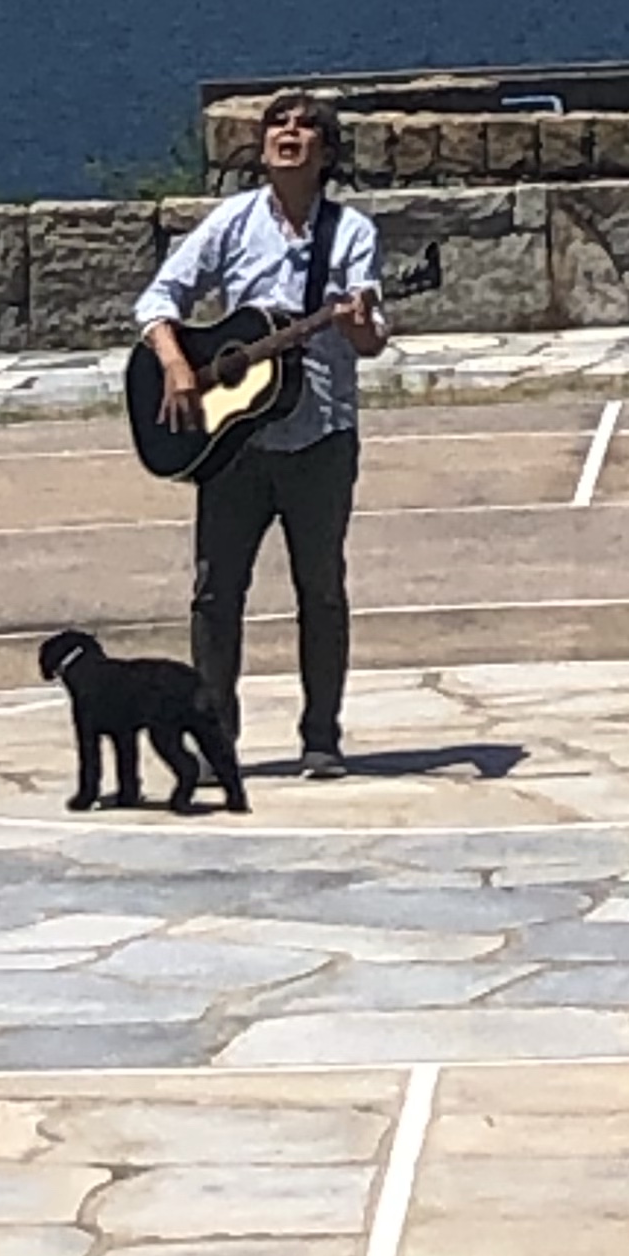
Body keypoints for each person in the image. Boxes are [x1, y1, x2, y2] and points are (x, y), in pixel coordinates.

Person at [133, 89, 386, 778]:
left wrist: (358, 323)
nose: (289, 133)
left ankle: (321, 737)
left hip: (320, 434)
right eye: (279, 124)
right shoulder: (233, 221)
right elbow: (159, 299)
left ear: (326, 153)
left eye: (306, 127)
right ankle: (216, 738)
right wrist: (177, 364)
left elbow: (369, 339)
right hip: (234, 443)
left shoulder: (351, 234)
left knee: (321, 590)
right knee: (216, 592)